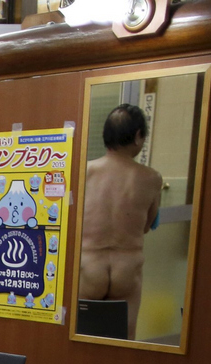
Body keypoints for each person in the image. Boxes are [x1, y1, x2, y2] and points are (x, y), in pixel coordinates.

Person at [78, 104, 163, 340]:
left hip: (88, 266)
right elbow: (146, 226)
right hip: (127, 268)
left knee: (78, 340)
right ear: (138, 136)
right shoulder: (151, 178)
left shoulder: (84, 172)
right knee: (124, 342)